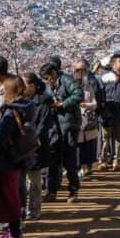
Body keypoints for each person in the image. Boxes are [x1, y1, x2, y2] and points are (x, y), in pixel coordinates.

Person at [0, 75, 37, 238]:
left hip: (7, 160)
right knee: (14, 195)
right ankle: (13, 232)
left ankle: (14, 234)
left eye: (3, 90)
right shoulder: (28, 107)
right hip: (19, 157)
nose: (1, 93)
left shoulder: (11, 112)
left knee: (9, 198)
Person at [40, 60, 83, 203]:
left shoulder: (67, 80)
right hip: (54, 126)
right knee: (52, 159)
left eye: (48, 78)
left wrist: (63, 104)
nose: (48, 82)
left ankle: (73, 190)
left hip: (69, 125)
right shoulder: (47, 86)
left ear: (54, 73)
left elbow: (78, 94)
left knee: (69, 159)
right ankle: (51, 191)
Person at [23, 72, 52, 220]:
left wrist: (32, 139)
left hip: (36, 145)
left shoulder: (44, 101)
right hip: (24, 145)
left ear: (32, 86)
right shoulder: (21, 100)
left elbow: (43, 124)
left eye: (25, 85)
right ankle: (25, 208)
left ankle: (34, 209)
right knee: (26, 180)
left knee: (34, 180)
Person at [99, 54, 120, 170]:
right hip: (107, 113)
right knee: (105, 138)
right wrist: (102, 111)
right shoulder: (104, 78)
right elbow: (100, 96)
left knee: (118, 138)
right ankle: (104, 160)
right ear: (113, 64)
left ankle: (116, 160)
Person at [73, 59, 101, 178]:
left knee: (89, 145)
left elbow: (95, 103)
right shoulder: (70, 88)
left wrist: (86, 105)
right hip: (76, 120)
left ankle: (87, 166)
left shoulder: (89, 86)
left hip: (88, 119)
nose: (80, 73)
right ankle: (79, 168)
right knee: (78, 146)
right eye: (77, 70)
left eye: (82, 70)